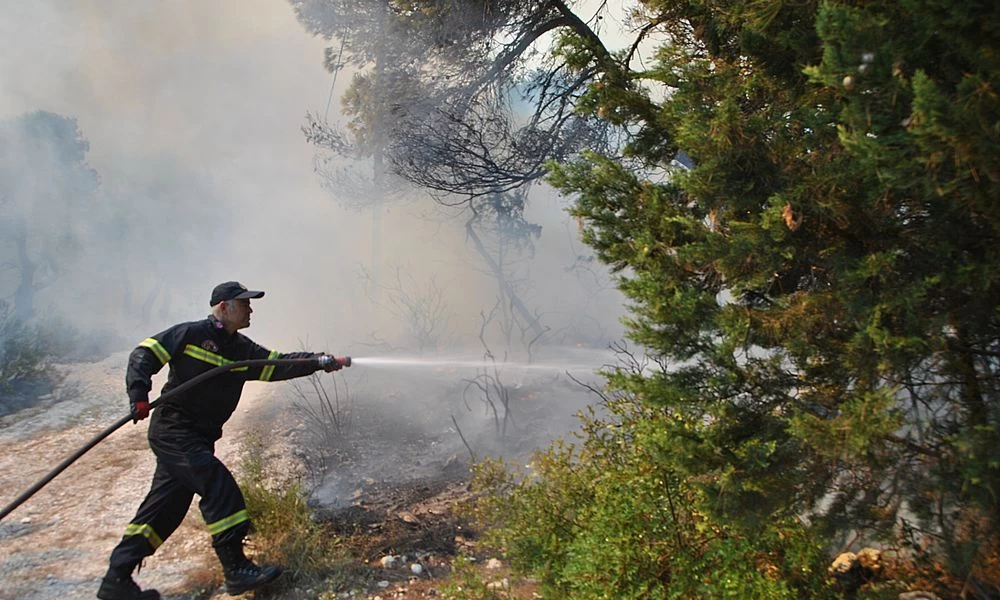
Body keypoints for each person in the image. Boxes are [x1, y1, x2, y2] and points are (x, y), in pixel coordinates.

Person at [97, 281, 343, 600]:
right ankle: (236, 569)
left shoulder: (241, 350)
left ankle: (116, 580)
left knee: (164, 511)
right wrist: (139, 393)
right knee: (219, 488)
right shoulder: (191, 334)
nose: (251, 309)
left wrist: (319, 362)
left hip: (198, 438)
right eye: (244, 304)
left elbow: (276, 365)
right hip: (174, 431)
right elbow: (144, 352)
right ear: (224, 307)